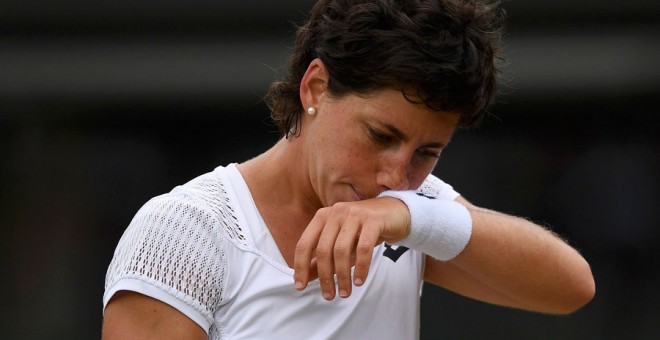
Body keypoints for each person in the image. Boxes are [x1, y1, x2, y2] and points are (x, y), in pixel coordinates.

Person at [101, 0, 595, 339]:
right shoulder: (182, 232)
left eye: (427, 152)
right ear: (315, 88)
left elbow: (570, 287)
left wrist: (413, 219)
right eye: (381, 136)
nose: (395, 177)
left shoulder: (409, 214)